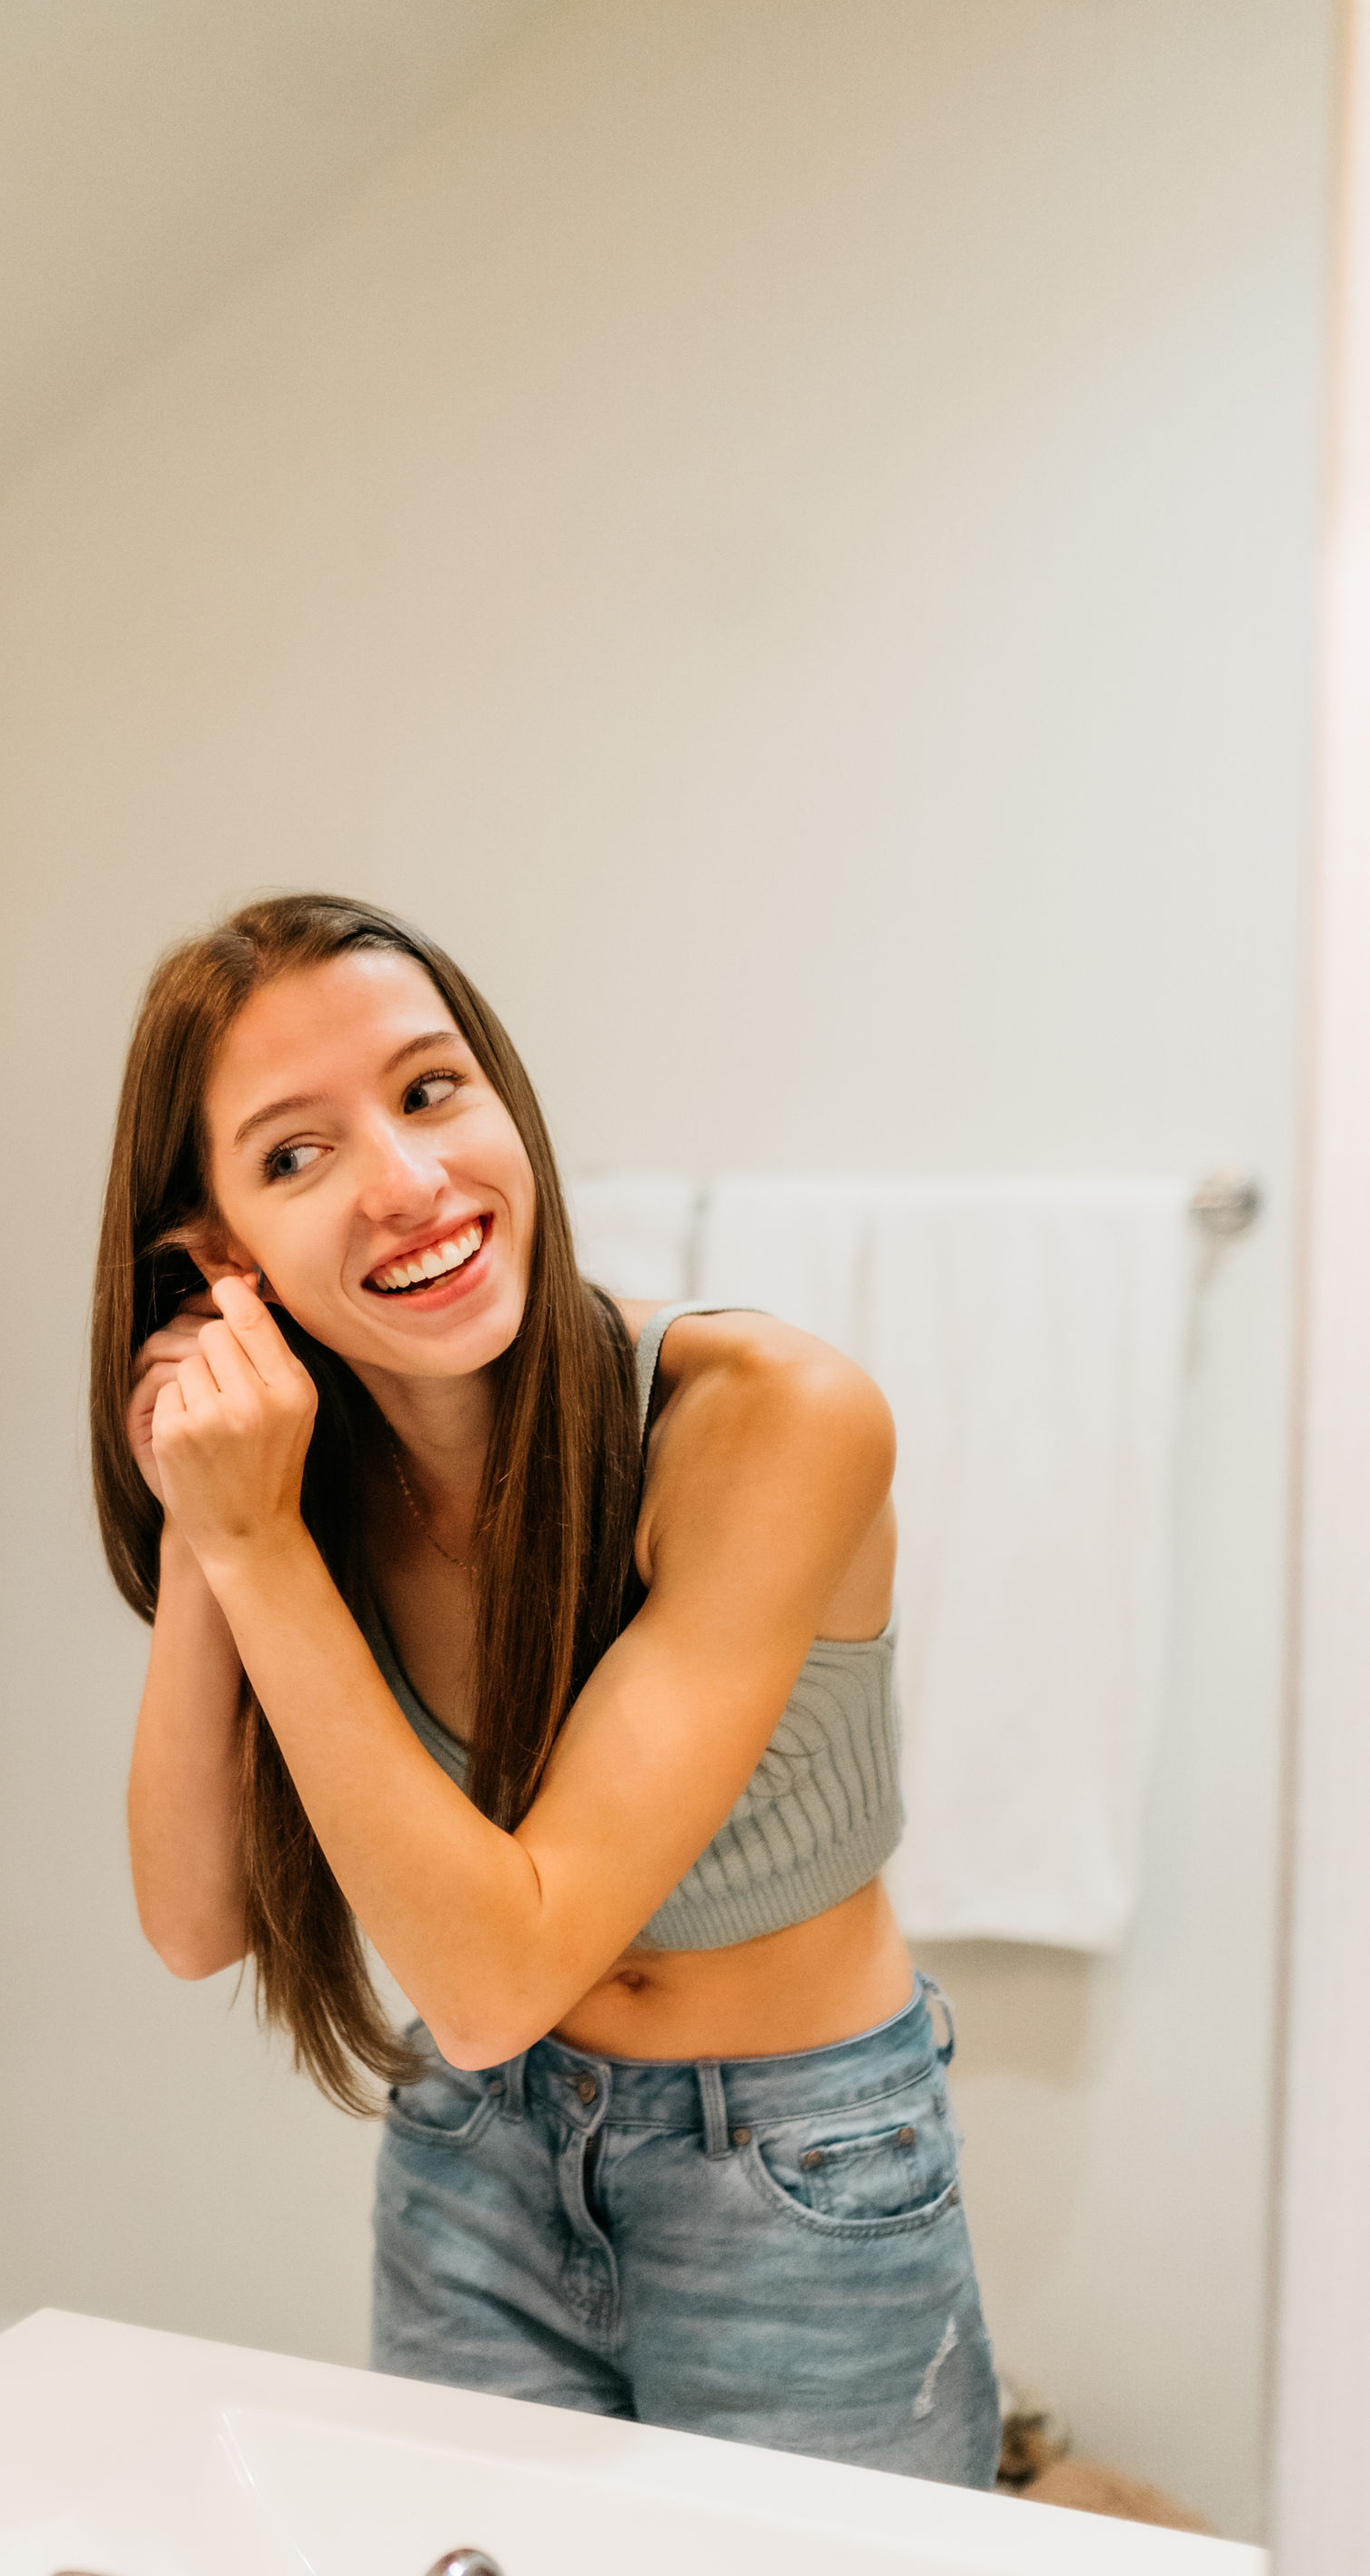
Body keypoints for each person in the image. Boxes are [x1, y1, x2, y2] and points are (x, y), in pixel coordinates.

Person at [90, 894, 999, 2487]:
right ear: (223, 1255)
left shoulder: (770, 1418)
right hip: (474, 2153)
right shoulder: (295, 1493)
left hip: (795, 2163)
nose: (409, 1183)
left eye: (431, 1092)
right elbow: (192, 1919)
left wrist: (263, 1550)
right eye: (297, 1155)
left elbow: (498, 1970)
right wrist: (207, 1523)